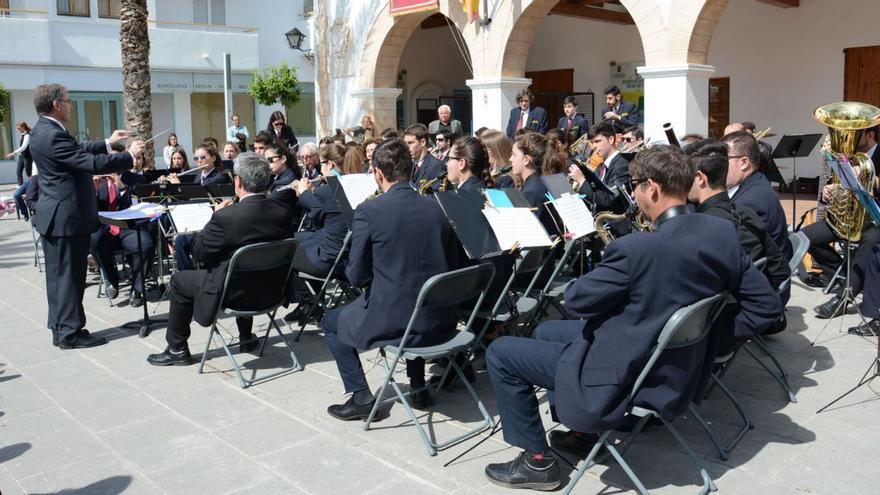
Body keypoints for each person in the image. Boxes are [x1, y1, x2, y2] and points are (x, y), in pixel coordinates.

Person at [481, 145, 781, 490]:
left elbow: (578, 300)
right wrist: (709, 338)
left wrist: (612, 268)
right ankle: (582, 431)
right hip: (677, 365)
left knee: (502, 352)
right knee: (548, 330)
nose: (634, 195)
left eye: (635, 186)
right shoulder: (720, 232)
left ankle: (536, 462)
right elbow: (765, 306)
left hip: (629, 370)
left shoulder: (638, 250)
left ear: (651, 188)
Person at [321, 138, 460, 419]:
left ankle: (360, 397)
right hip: (442, 320)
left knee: (331, 322)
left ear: (378, 174)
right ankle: (418, 387)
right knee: (414, 294)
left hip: (399, 323)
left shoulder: (369, 211)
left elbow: (357, 274)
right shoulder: (438, 207)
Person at [147, 153, 295, 365]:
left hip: (234, 294)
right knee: (247, 266)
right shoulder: (283, 211)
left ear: (239, 181)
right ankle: (245, 338)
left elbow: (199, 254)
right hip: (271, 292)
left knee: (180, 280)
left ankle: (177, 348)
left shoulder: (226, 217)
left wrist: (211, 220)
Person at [29, 83, 145, 349]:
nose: (71, 105)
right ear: (57, 104)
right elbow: (89, 163)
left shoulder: (43, 130)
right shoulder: (53, 134)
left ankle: (61, 328)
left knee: (59, 278)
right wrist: (128, 155)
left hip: (55, 216)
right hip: (66, 217)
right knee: (70, 277)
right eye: (69, 100)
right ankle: (71, 334)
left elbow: (78, 148)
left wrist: (108, 142)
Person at [799, 125, 880, 318]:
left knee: (869, 243)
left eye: (854, 135)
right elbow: (837, 183)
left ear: (870, 135)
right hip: (848, 218)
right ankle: (843, 277)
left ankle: (844, 296)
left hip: (874, 220)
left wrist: (870, 177)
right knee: (804, 237)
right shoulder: (848, 156)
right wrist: (829, 190)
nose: (847, 139)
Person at [89, 150, 154, 307]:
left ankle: (137, 289)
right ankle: (111, 279)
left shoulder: (136, 179)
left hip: (128, 228)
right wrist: (94, 191)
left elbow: (141, 207)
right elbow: (86, 210)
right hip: (106, 229)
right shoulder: (95, 180)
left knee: (145, 244)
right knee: (94, 240)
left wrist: (123, 188)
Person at [722, 131, 791, 259]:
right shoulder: (756, 181)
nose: (719, 164)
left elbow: (736, 253)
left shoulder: (750, 201)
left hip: (765, 274)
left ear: (744, 163)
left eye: (723, 158)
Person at [291, 143, 353, 276]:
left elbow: (316, 219)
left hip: (330, 260)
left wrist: (303, 192)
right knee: (297, 238)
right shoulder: (354, 184)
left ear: (330, 164)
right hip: (351, 255)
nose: (320, 167)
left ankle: (304, 296)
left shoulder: (326, 190)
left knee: (285, 251)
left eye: (321, 163)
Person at [568, 120, 631, 212]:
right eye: (592, 142)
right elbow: (594, 194)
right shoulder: (601, 166)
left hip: (613, 223)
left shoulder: (622, 165)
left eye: (597, 141)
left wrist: (581, 180)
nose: (594, 146)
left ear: (610, 139)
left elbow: (609, 199)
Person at [265, 144, 302, 225]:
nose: (267, 164)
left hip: (286, 226)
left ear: (283, 159)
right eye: (265, 161)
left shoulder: (287, 180)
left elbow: (269, 202)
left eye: (270, 160)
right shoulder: (276, 176)